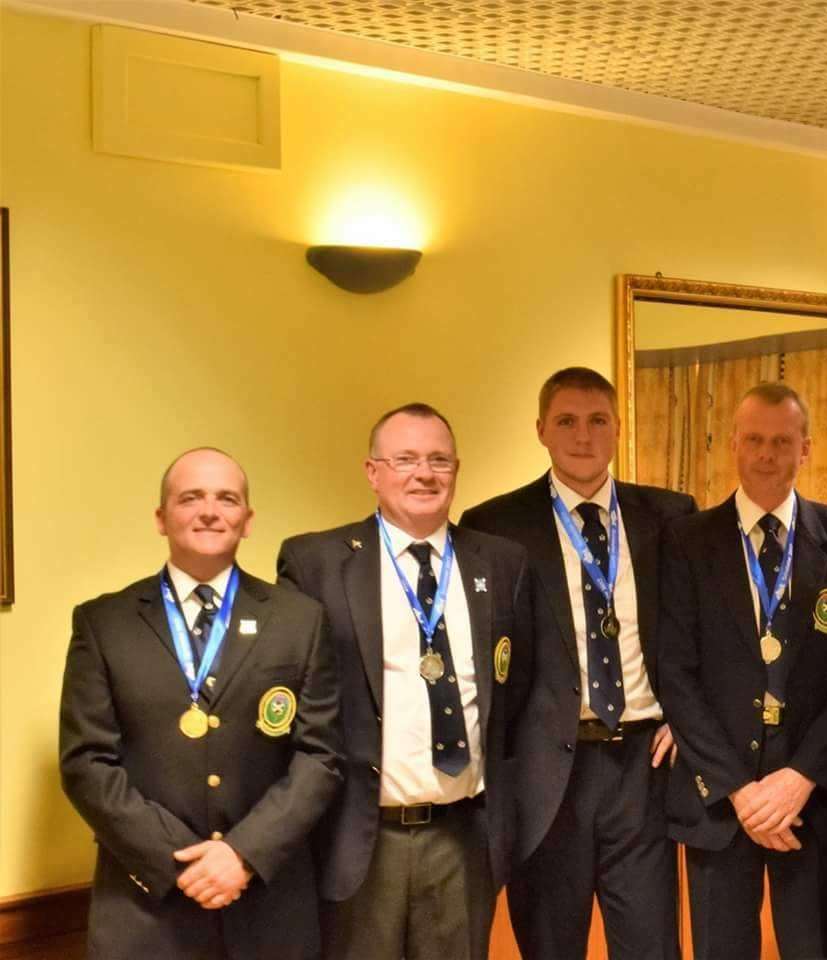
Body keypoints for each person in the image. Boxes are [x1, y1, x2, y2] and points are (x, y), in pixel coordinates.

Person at [60, 448, 341, 960]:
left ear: (247, 520)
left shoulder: (300, 621)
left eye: (226, 498)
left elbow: (320, 757)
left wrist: (243, 854)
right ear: (161, 518)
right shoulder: (104, 624)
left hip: (267, 903)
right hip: (147, 907)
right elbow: (87, 763)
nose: (209, 511)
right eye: (190, 497)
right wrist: (182, 862)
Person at [277, 403, 532, 959]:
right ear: (373, 472)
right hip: (360, 840)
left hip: (464, 839)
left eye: (439, 460)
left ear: (457, 470)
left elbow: (519, 696)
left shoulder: (502, 563)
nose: (424, 473)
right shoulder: (316, 563)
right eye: (406, 459)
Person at [460, 367, 695, 959]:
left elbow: (703, 634)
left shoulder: (671, 516)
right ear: (541, 429)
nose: (582, 435)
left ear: (619, 427)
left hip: (645, 766)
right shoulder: (494, 526)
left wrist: (688, 719)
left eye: (597, 421)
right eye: (566, 420)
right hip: (546, 777)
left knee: (651, 946)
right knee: (550, 945)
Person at [658, 382, 827, 959]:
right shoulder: (686, 541)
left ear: (805, 449)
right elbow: (675, 673)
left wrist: (800, 777)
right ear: (733, 445)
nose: (767, 453)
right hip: (721, 805)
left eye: (783, 441)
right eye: (754, 439)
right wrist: (738, 791)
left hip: (813, 801)